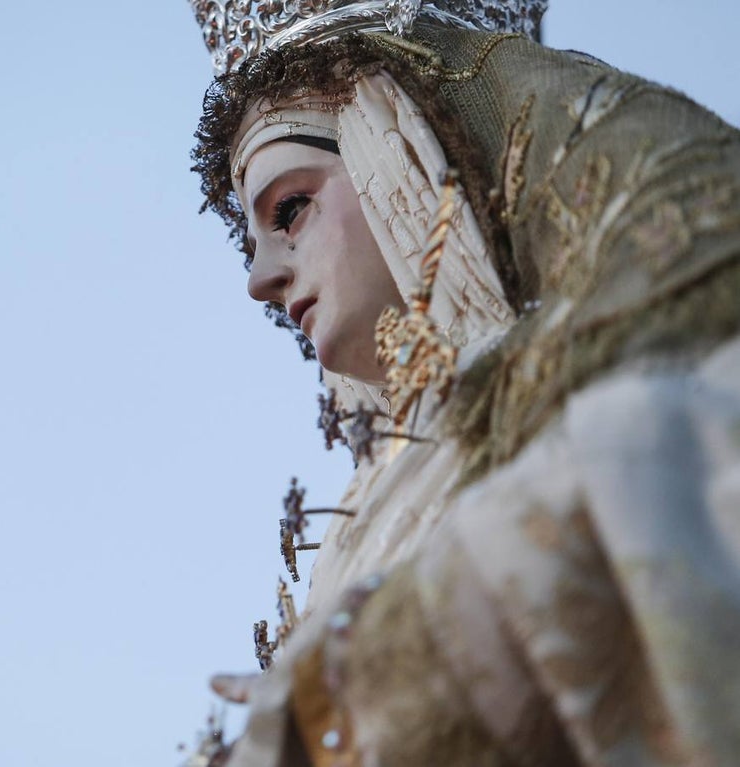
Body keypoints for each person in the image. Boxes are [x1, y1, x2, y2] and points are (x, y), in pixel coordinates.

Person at [187, 1, 740, 765]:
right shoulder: (356, 523)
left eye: (291, 208)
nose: (261, 280)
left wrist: (386, 666)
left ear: (400, 152)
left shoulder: (605, 389)